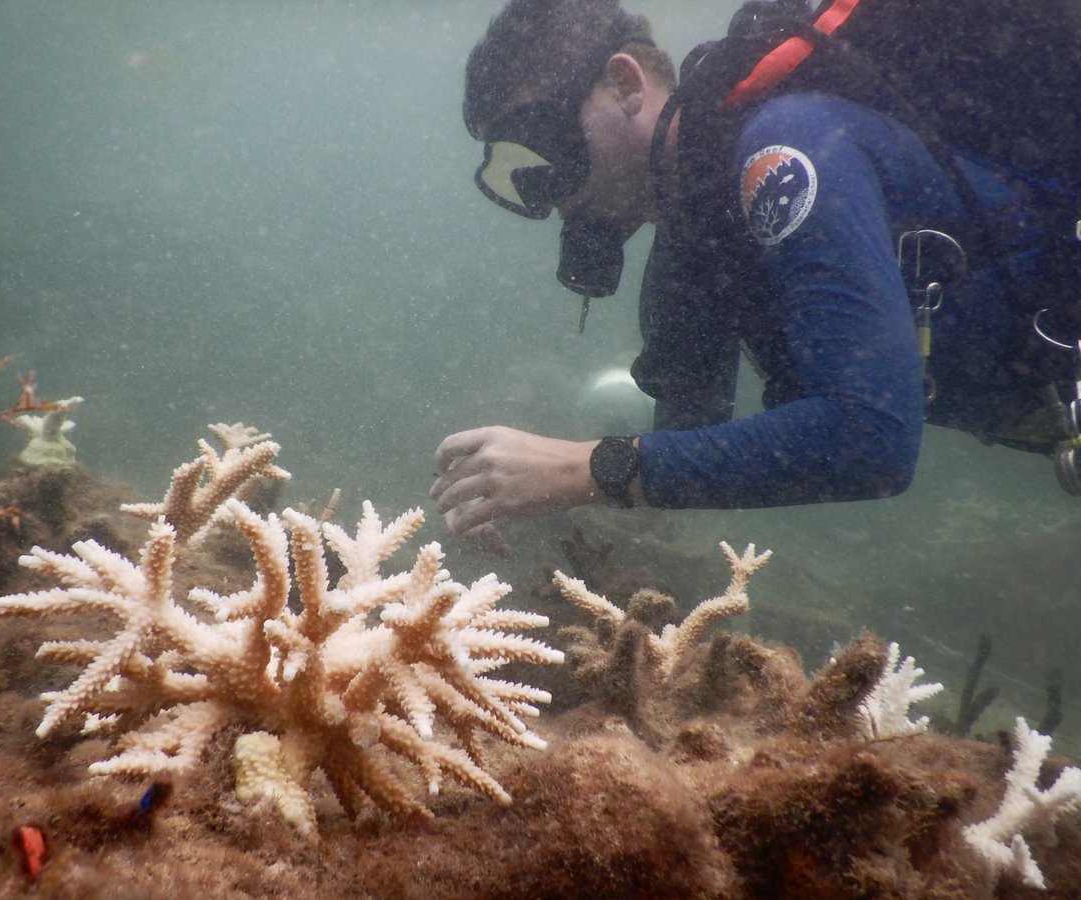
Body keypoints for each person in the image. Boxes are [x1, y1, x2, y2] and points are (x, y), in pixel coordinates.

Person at [430, 0, 1079, 543]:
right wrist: (529, 498)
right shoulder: (691, 244)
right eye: (518, 174)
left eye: (542, 141)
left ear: (625, 84)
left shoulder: (783, 154)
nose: (548, 194)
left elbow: (871, 439)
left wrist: (580, 471)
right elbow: (687, 449)